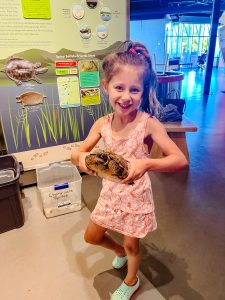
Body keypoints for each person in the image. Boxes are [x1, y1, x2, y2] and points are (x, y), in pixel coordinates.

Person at [71, 41, 188, 300]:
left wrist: (146, 163)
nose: (126, 96)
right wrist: (82, 160)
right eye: (119, 87)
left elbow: (179, 159)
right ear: (106, 87)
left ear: (144, 91)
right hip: (110, 193)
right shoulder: (102, 124)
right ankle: (119, 254)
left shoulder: (149, 124)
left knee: (132, 243)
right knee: (92, 236)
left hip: (136, 197)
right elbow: (76, 153)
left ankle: (132, 280)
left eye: (134, 89)